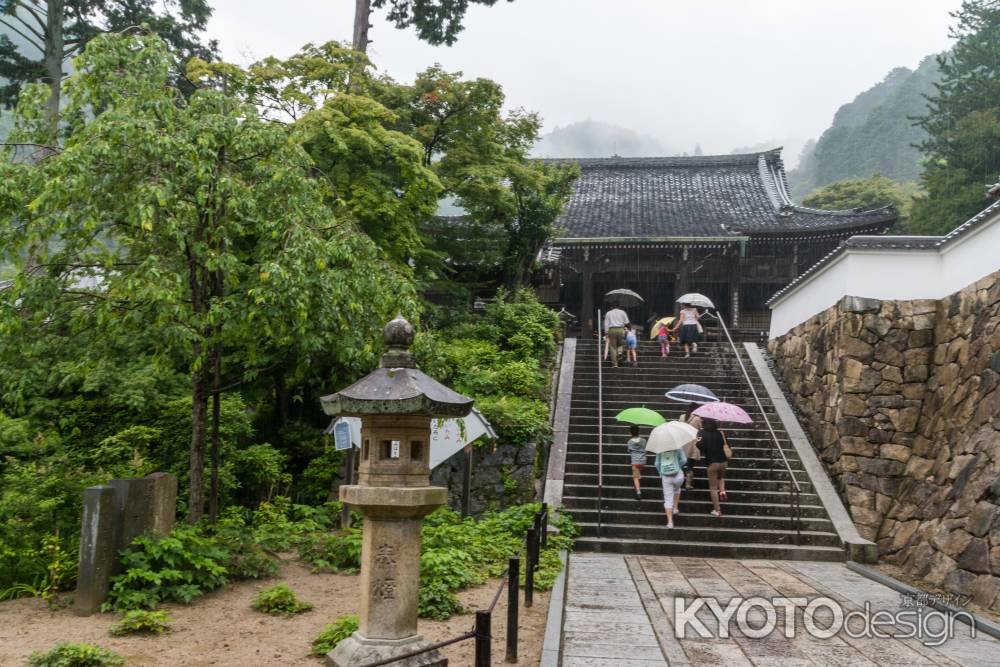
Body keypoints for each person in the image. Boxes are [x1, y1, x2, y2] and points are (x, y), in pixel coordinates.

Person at [696, 418, 729, 517]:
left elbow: (701, 448)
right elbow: (726, 445)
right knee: (721, 477)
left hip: (712, 463)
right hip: (723, 462)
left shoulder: (702, 433)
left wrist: (696, 442)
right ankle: (722, 490)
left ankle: (717, 510)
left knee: (713, 488)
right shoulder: (720, 433)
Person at [655, 445, 687, 528]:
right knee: (677, 489)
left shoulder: (660, 449)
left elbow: (657, 463)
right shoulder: (678, 447)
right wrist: (677, 466)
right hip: (678, 475)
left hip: (666, 476)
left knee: (668, 499)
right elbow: (684, 460)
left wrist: (660, 473)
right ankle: (675, 508)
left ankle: (670, 522)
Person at [678, 403, 702, 489]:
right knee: (690, 465)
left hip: (681, 443)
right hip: (691, 444)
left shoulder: (681, 416)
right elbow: (699, 429)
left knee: (680, 464)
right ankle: (687, 484)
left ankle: (678, 482)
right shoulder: (697, 418)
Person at [626, 424, 647, 500]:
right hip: (643, 460)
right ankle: (639, 474)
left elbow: (629, 450)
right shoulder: (644, 440)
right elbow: (646, 448)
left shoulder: (630, 441)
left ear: (630, 433)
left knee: (635, 478)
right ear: (639, 432)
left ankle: (638, 493)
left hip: (635, 461)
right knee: (638, 471)